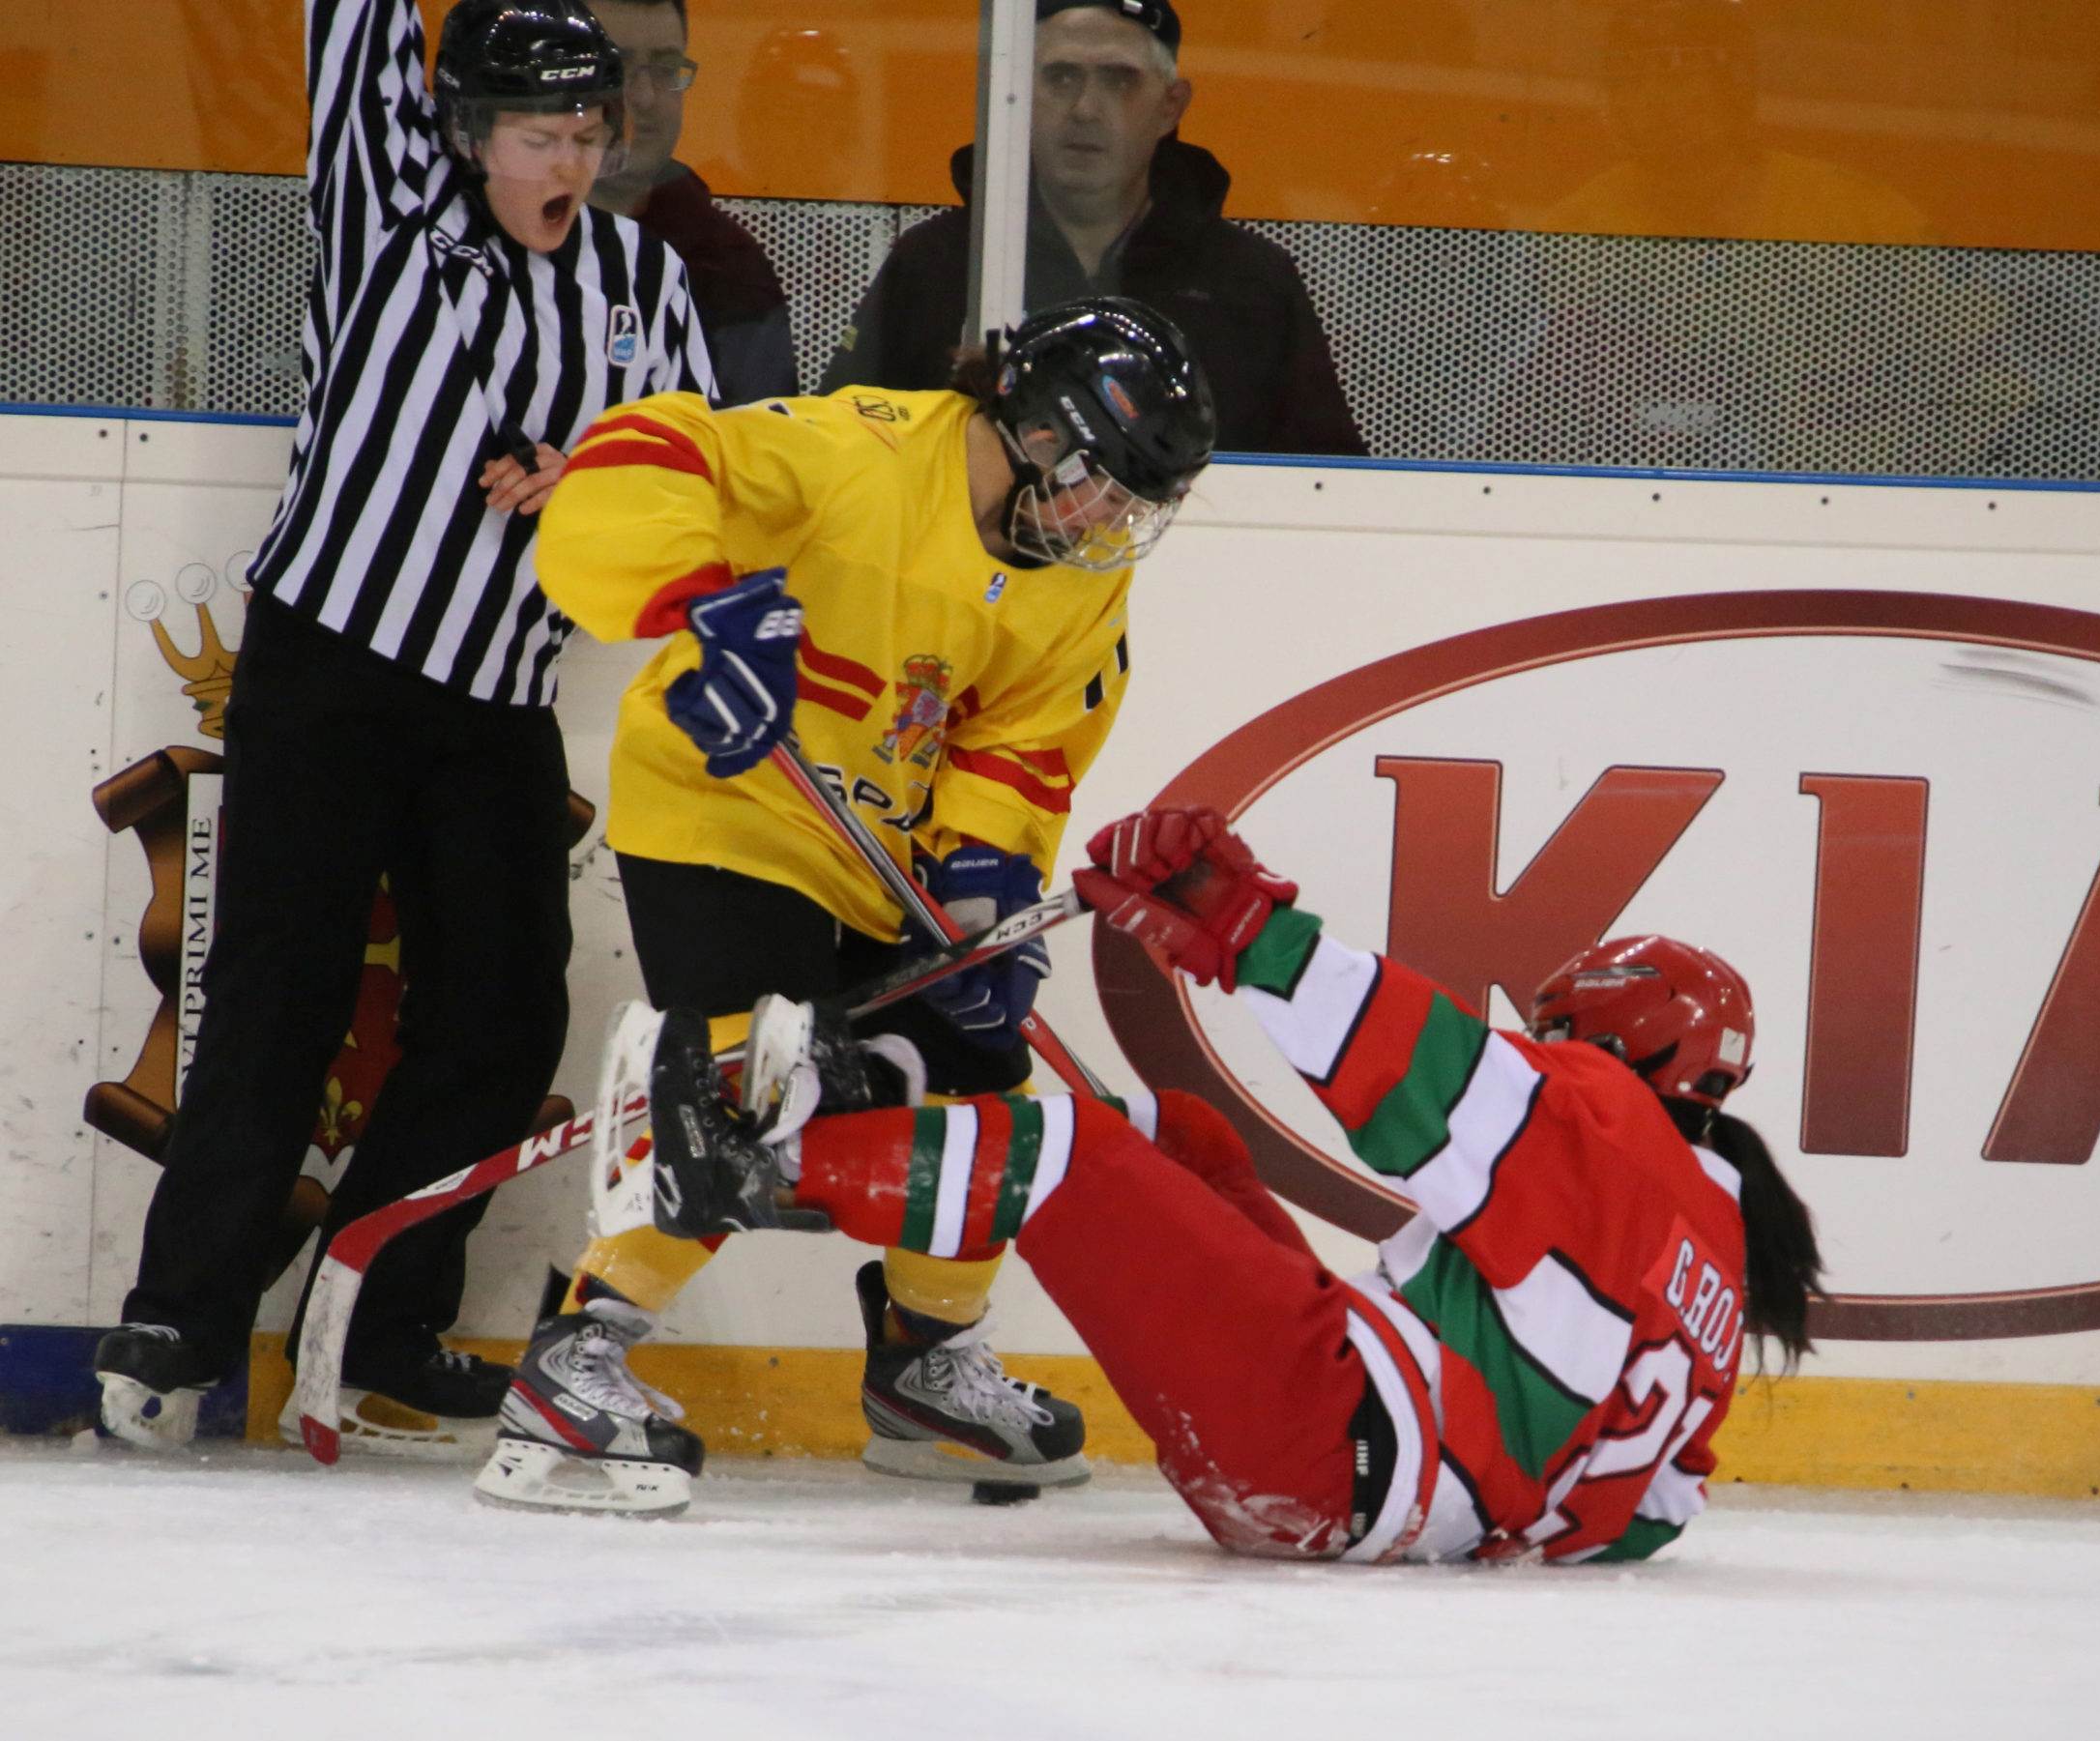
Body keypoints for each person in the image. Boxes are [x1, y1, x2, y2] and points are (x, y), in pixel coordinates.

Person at [90, 0, 715, 1454]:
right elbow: (352, 33)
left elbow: (694, 474)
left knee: (505, 1015)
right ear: (466, 136)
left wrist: (593, 480)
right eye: (536, 134)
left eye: (587, 132)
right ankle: (181, 1319)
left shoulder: (644, 278)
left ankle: (370, 1318)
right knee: (275, 995)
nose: (570, 159)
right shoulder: (394, 214)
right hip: (333, 669)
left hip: (500, 693)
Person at [472, 297, 1216, 1516]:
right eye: (1106, 486)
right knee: (749, 1074)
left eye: (1142, 503)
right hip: (726, 801)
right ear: (1035, 432)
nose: (1114, 522)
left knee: (980, 1075)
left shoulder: (1070, 570)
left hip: (884, 842)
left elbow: (1026, 735)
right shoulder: (857, 450)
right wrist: (698, 609)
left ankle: (925, 1359)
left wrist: (983, 880)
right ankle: (576, 1357)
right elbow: (642, 453)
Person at [630, 805, 1826, 1558]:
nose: (1546, 1052)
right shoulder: (1713, 1244)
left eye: (1562, 1034)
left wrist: (1244, 929)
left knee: (1078, 1158)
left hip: (1332, 1441)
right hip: (1369, 1471)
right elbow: (1655, 1511)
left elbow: (1432, 1076)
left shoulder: (1618, 1137)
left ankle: (735, 1165)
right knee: (1184, 1141)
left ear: (1618, 1048)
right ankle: (898, 1169)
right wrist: (1495, 1521)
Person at [819, 0, 1364, 458]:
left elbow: (1325, 481)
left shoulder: (1249, 282)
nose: (1085, 108)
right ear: (1016, 96)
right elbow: (839, 442)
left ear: (1171, 107)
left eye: (1119, 80)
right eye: (1060, 77)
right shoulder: (937, 263)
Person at [586, 0, 800, 403]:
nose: (645, 97)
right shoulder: (491, 238)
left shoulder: (728, 265)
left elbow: (759, 448)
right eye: (619, 67)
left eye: (665, 69)